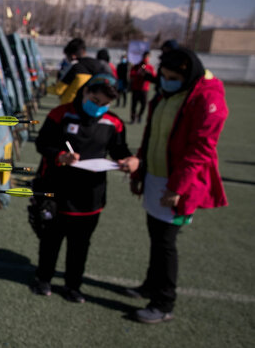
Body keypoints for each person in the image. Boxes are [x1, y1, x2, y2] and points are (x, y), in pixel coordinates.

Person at [127, 47, 228, 323]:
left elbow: (201, 149)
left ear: (188, 74)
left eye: (173, 77)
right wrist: (141, 171)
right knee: (155, 235)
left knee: (166, 243)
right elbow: (151, 134)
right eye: (164, 75)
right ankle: (150, 285)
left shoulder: (207, 97)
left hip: (178, 184)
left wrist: (177, 187)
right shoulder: (165, 93)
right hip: (155, 177)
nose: (167, 80)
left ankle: (163, 303)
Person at [29, 74, 139, 302]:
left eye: (105, 104)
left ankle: (73, 286)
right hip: (56, 189)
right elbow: (42, 143)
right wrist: (61, 156)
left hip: (91, 194)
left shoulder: (113, 122)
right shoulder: (60, 114)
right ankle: (43, 278)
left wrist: (129, 160)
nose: (98, 107)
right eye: (95, 100)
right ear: (86, 91)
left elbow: (119, 150)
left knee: (80, 244)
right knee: (51, 239)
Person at [47, 38, 104, 105]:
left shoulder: (75, 67)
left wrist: (45, 89)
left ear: (73, 56)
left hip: (70, 107)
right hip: (89, 107)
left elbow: (58, 90)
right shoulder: (99, 66)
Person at [129, 51, 156, 123]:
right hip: (136, 88)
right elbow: (132, 75)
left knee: (144, 105)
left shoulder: (150, 67)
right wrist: (138, 73)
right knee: (134, 105)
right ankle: (133, 118)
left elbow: (154, 77)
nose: (146, 59)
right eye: (145, 57)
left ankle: (139, 116)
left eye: (147, 57)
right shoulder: (137, 66)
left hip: (144, 89)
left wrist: (147, 73)